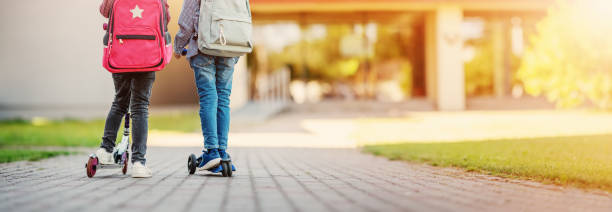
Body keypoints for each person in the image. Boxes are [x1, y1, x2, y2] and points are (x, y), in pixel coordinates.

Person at [95, 0, 171, 178]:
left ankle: (106, 150)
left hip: (121, 52)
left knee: (120, 101)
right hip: (148, 53)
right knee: (140, 107)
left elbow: (104, 11)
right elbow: (165, 18)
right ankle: (138, 162)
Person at [174, 0, 240, 170]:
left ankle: (211, 151)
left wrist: (179, 46)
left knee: (209, 98)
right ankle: (222, 152)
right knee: (223, 99)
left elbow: (187, 20)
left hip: (204, 46)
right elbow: (241, 17)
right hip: (229, 48)